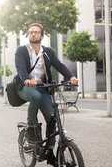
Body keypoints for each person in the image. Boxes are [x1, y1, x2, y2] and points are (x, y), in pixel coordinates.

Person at [14, 23, 79, 166]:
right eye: (31, 32)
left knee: (52, 117)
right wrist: (27, 79)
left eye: (36, 32)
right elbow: (20, 68)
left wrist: (71, 77)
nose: (33, 34)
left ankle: (49, 151)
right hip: (25, 87)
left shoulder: (48, 52)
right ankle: (31, 130)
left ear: (41, 35)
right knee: (35, 97)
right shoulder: (21, 51)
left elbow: (59, 65)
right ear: (28, 35)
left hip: (43, 87)